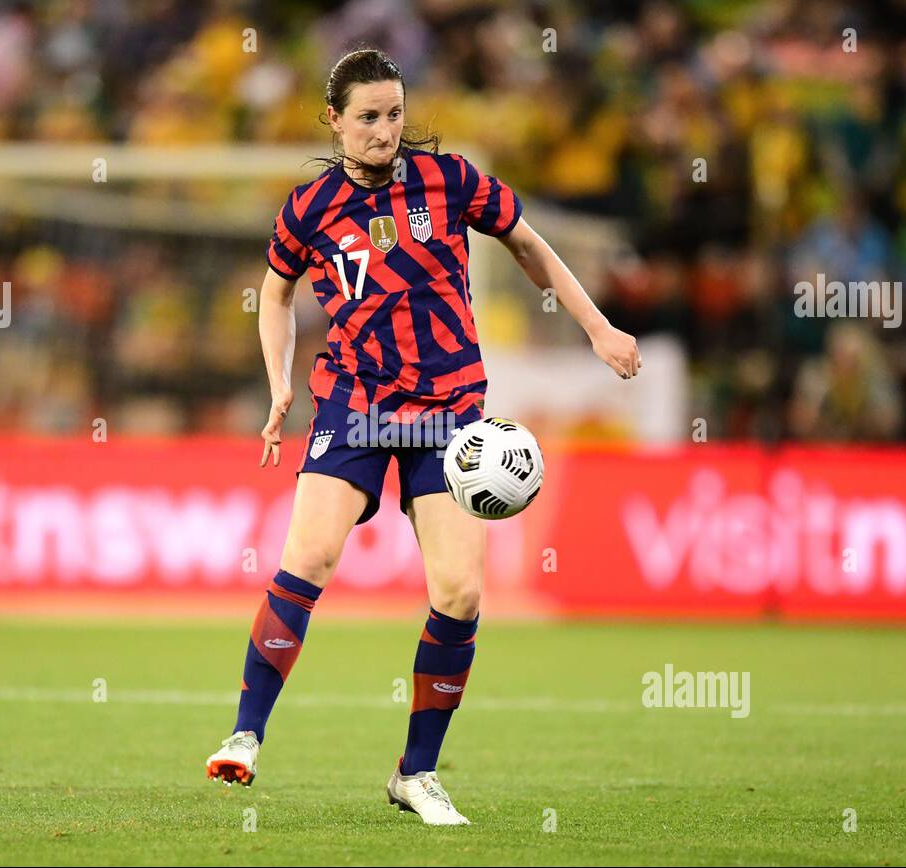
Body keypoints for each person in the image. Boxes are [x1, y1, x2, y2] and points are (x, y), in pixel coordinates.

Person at [204, 48, 640, 825]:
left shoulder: (451, 181)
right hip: (354, 403)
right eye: (367, 117)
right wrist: (278, 386)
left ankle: (416, 772)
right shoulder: (308, 209)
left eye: (394, 114)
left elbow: (531, 246)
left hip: (448, 413)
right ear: (334, 120)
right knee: (308, 556)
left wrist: (597, 328)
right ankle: (245, 733)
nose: (383, 130)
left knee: (461, 594)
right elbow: (273, 298)